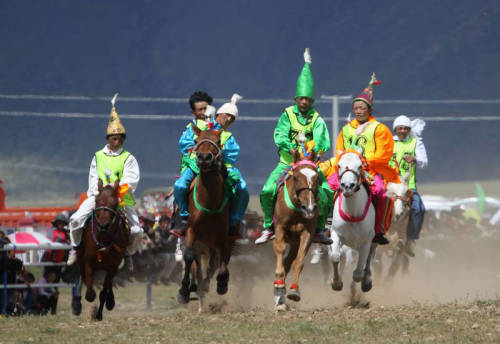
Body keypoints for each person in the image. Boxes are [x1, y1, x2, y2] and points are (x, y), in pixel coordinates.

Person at [255, 48, 333, 245]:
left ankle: (320, 229)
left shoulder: (317, 119)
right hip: (287, 164)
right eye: (301, 98)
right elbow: (279, 134)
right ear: (296, 99)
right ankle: (268, 227)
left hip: (309, 166)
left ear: (312, 100)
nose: (304, 102)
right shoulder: (288, 114)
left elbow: (323, 141)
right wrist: (290, 147)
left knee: (326, 192)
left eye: (308, 99)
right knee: (267, 191)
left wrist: (316, 151)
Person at [66, 94, 143, 270]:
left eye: (121, 137)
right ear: (108, 138)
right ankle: (76, 248)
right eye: (115, 138)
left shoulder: (128, 158)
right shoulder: (98, 156)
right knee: (76, 220)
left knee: (137, 230)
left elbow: (131, 179)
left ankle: (128, 253)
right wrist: (99, 193)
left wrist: (116, 193)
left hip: (121, 198)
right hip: (99, 197)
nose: (118, 141)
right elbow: (93, 177)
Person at [330, 73, 401, 245]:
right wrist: (346, 162)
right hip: (347, 169)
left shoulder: (379, 129)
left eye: (362, 108)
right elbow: (340, 150)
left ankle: (378, 230)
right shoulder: (346, 129)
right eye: (356, 108)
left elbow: (384, 153)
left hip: (370, 169)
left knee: (382, 194)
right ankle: (325, 226)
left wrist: (364, 162)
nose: (358, 111)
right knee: (327, 187)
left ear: (370, 110)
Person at [172, 93, 249, 238]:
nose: (228, 119)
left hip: (223, 167)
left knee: (242, 189)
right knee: (180, 186)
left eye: (232, 118)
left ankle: (234, 222)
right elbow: (185, 143)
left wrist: (219, 154)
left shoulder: (227, 135)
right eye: (226, 115)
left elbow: (233, 154)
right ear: (218, 113)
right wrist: (196, 153)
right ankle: (183, 218)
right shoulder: (197, 126)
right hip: (195, 165)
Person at [391, 115, 428, 256]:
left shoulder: (415, 142)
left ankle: (410, 240)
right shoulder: (388, 142)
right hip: (390, 184)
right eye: (400, 128)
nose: (402, 131)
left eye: (405, 128)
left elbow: (424, 162)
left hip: (408, 186)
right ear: (395, 129)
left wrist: (415, 159)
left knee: (419, 208)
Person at [42, 213, 70, 281]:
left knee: (56, 278)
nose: (61, 224)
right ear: (56, 223)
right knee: (48, 278)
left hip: (59, 259)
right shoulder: (52, 230)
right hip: (50, 258)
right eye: (59, 223)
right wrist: (65, 241)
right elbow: (55, 238)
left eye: (62, 223)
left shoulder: (64, 232)